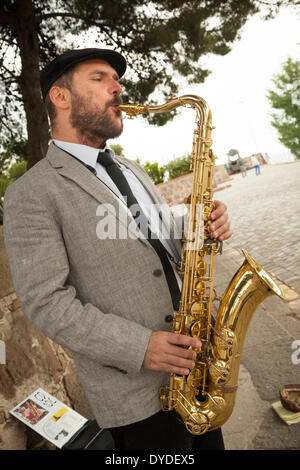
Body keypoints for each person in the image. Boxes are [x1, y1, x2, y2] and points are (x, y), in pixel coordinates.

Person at [3, 48, 232, 450]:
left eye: (117, 79)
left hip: (198, 367)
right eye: (100, 78)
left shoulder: (131, 168)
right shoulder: (30, 193)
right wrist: (139, 347)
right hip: (136, 398)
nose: (117, 87)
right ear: (61, 97)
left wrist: (202, 228)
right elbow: (45, 301)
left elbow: (156, 243)